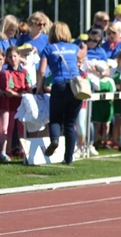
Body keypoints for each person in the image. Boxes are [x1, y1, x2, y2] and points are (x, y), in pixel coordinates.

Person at [36, 22, 86, 165]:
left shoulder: (48, 49)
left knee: (56, 119)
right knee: (70, 124)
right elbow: (82, 54)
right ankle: (68, 158)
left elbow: (41, 71)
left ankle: (55, 140)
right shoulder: (73, 47)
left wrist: (39, 88)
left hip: (59, 85)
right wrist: (85, 47)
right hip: (76, 87)